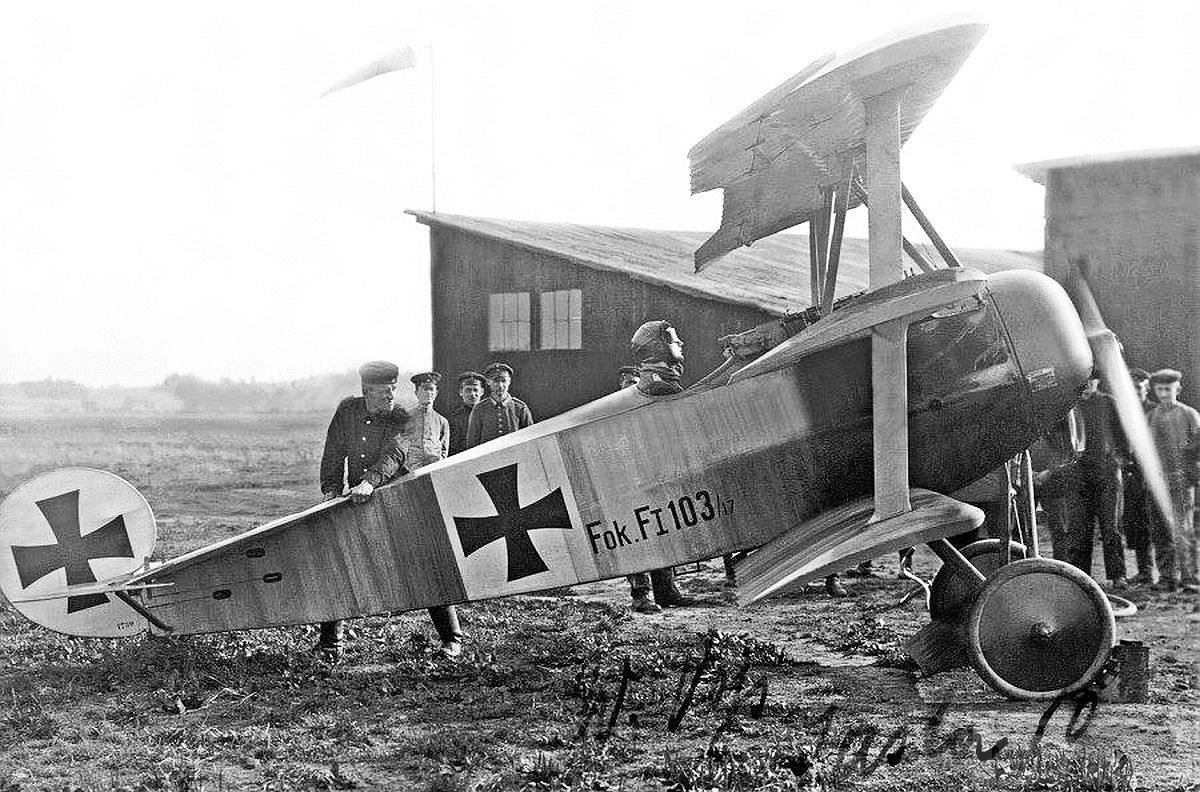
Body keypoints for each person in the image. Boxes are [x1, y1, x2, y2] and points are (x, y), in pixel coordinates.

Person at [314, 360, 409, 661]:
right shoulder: (347, 411)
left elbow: (395, 454)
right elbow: (333, 452)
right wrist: (331, 490)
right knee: (339, 563)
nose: (391, 397)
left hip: (391, 495)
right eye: (384, 393)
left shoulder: (400, 416)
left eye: (394, 390)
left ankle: (451, 638)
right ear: (367, 391)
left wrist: (370, 482)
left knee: (416, 558)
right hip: (356, 499)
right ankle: (331, 642)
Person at [613, 365, 696, 612]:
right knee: (635, 541)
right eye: (627, 382)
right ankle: (640, 595)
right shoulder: (612, 414)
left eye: (635, 382)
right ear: (620, 385)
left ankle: (666, 590)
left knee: (663, 532)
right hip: (626, 487)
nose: (631, 387)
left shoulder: (649, 410)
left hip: (653, 483)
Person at [402, 372, 464, 657]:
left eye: (432, 390)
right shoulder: (404, 419)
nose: (428, 394)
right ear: (415, 392)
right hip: (407, 486)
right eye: (423, 389)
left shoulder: (443, 423)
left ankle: (451, 636)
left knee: (434, 552)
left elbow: (445, 456)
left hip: (432, 488)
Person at [1070, 370, 1129, 590]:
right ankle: (1081, 579)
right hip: (1078, 477)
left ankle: (1118, 575)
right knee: (1081, 530)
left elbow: (1123, 436)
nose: (1086, 385)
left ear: (1098, 381)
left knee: (1110, 528)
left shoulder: (1109, 403)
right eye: (1082, 381)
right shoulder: (1069, 405)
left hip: (1106, 476)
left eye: (1091, 381)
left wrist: (1120, 461)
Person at [1147, 369, 1200, 593]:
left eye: (1168, 389)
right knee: (1159, 531)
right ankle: (1167, 577)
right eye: (1160, 389)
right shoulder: (1151, 416)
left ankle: (1190, 578)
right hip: (1158, 481)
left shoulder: (1189, 414)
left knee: (1182, 529)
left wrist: (1190, 473)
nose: (1164, 393)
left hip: (1181, 479)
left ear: (1177, 389)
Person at [1123, 368, 1157, 585]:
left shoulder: (1155, 411)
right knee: (1135, 522)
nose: (1135, 392)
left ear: (1147, 388)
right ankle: (1143, 570)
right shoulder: (1123, 410)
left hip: (1152, 474)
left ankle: (1156, 570)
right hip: (1131, 474)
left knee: (1152, 522)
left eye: (1139, 388)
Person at [466, 362, 534, 448]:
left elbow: (530, 439)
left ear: (509, 382)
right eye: (495, 381)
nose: (500, 385)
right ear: (488, 382)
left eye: (503, 381)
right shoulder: (479, 409)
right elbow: (472, 443)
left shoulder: (520, 408)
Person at [630, 320, 685, 395]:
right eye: (671, 338)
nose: (680, 342)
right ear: (658, 347)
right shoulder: (658, 388)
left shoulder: (663, 380)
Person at [448, 371, 485, 456]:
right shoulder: (454, 418)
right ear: (461, 392)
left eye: (475, 390)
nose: (472, 394)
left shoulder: (489, 414)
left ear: (482, 391)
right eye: (468, 390)